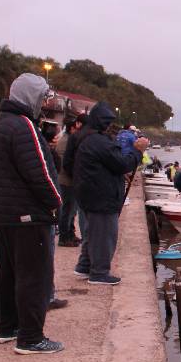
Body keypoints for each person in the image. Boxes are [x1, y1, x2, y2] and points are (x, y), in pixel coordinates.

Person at [0, 73, 64, 354]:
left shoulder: (2, 124)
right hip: (28, 216)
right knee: (34, 275)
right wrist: (56, 202)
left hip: (3, 213)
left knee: (7, 271)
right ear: (31, 96)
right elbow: (40, 174)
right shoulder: (24, 126)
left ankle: (7, 327)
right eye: (43, 96)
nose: (45, 103)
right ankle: (31, 338)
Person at [73, 102, 149, 285]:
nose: (110, 127)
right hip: (102, 195)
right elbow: (122, 163)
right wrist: (137, 151)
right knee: (105, 235)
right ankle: (99, 273)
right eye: (108, 123)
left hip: (89, 192)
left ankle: (84, 266)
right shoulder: (100, 142)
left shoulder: (87, 138)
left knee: (93, 233)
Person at [56, 115, 85, 247]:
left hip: (66, 179)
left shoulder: (65, 139)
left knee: (71, 211)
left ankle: (70, 234)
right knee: (67, 210)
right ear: (72, 128)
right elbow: (68, 163)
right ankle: (64, 237)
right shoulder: (68, 141)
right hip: (67, 180)